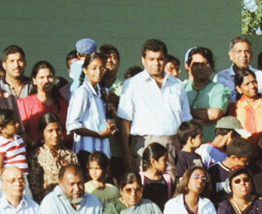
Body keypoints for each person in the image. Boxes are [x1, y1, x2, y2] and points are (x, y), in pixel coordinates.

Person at [118, 39, 192, 173]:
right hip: (145, 145)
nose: (156, 63)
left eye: (160, 59)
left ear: (166, 59)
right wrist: (126, 153)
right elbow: (124, 121)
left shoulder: (177, 84)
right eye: (151, 59)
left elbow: (186, 119)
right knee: (146, 184)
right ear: (143, 60)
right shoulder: (132, 84)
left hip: (173, 145)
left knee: (171, 184)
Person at [66, 53, 114, 158]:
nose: (98, 72)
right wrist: (98, 134)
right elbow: (73, 125)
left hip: (102, 152)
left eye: (101, 68)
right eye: (94, 68)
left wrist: (109, 126)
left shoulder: (101, 93)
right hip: (87, 152)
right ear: (85, 70)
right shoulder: (82, 92)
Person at [183, 47, 229, 142]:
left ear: (211, 66)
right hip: (184, 143)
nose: (200, 67)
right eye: (196, 64)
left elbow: (214, 114)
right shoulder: (182, 88)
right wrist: (191, 118)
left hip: (208, 142)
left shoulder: (219, 89)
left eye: (205, 63)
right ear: (188, 66)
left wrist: (186, 112)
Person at [17, 61, 67, 146]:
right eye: (41, 77)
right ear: (34, 80)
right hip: (32, 150)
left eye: (49, 77)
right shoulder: (24, 104)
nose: (46, 81)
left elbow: (70, 131)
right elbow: (20, 131)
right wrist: (34, 144)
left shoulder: (64, 104)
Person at [32, 112, 79, 197]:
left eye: (58, 130)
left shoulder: (70, 155)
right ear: (42, 133)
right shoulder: (37, 156)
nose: (55, 135)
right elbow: (35, 187)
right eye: (50, 131)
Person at [216, 36, 262, 103]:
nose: (243, 55)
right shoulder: (220, 77)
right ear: (231, 55)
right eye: (239, 51)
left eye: (247, 51)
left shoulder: (261, 76)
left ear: (251, 55)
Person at [0, 109, 29, 199]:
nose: (17, 124)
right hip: (9, 183)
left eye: (17, 122)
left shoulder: (19, 139)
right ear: (2, 129)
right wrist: (8, 183)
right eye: (13, 123)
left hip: (22, 180)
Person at [229, 68, 262, 139]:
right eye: (247, 84)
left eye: (254, 82)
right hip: (245, 144)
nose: (252, 86)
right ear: (239, 89)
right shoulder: (234, 108)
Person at [139, 142, 174, 209]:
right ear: (153, 162)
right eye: (164, 160)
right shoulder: (140, 178)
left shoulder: (167, 179)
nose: (167, 163)